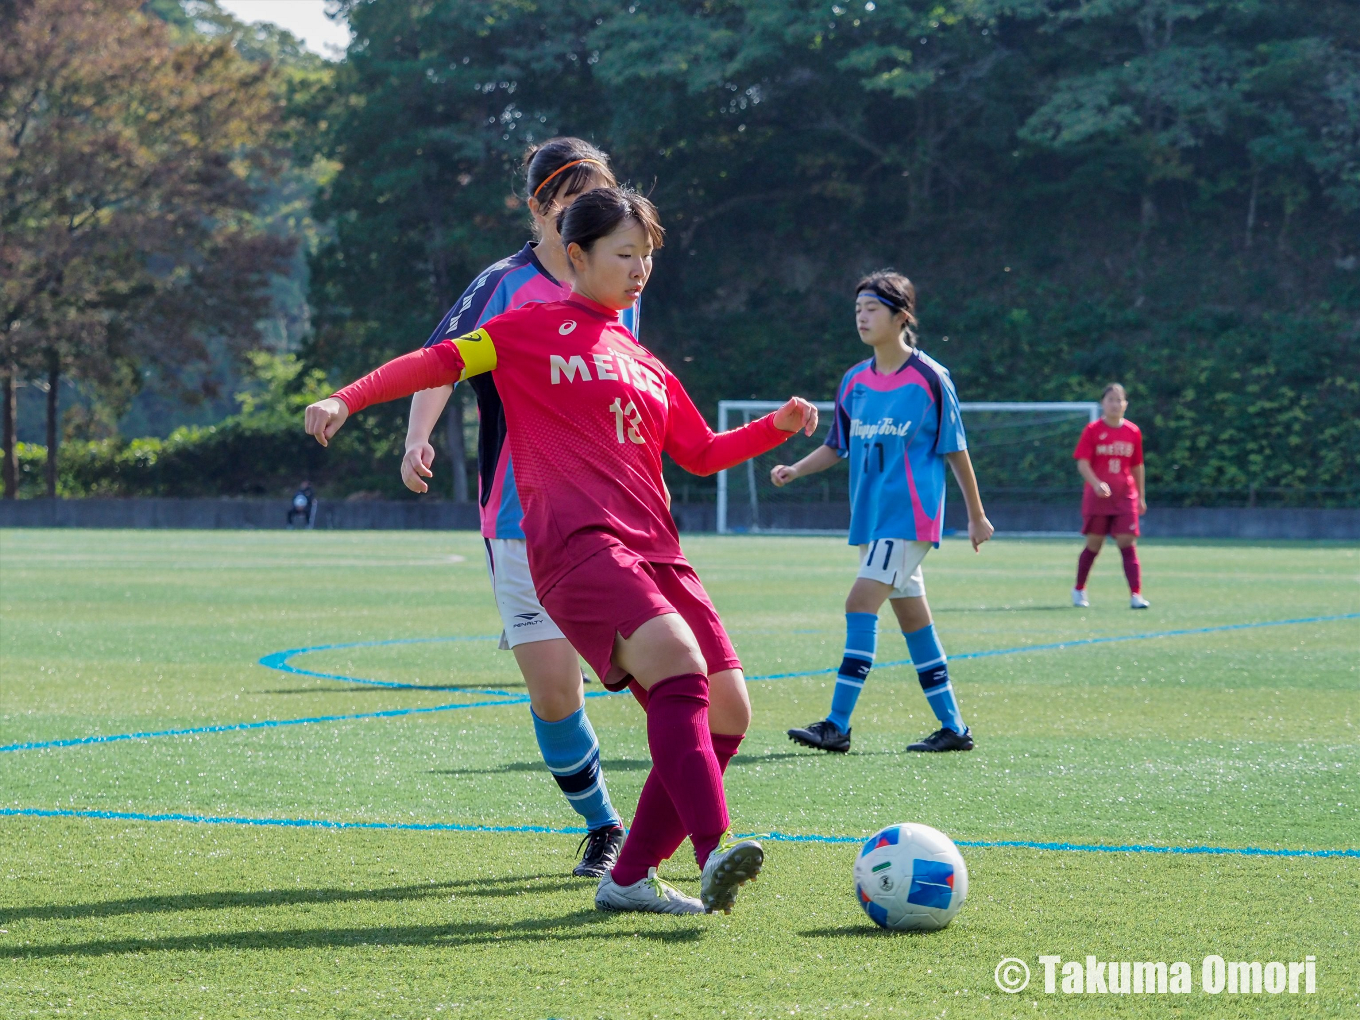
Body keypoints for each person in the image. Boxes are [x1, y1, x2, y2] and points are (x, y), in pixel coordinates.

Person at [304, 187, 819, 915]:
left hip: (660, 552)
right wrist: (345, 399)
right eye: (624, 254)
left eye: (647, 256)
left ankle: (630, 875)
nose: (639, 269)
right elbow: (432, 363)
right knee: (677, 664)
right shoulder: (519, 329)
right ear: (577, 256)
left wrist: (777, 424)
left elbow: (701, 454)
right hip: (577, 548)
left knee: (731, 709)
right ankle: (714, 851)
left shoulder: (644, 359)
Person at [401, 138, 639, 879]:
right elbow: (439, 361)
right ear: (539, 206)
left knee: (658, 667)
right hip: (518, 520)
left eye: (599, 195)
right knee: (554, 688)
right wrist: (416, 439)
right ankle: (606, 826)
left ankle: (694, 815)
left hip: (608, 513)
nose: (591, 212)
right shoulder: (502, 286)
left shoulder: (619, 283)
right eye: (575, 197)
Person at [771, 271, 994, 755]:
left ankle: (837, 724)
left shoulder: (930, 378)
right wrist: (797, 469)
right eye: (858, 310)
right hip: (873, 520)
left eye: (872, 309)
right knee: (915, 622)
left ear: (901, 316)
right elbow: (837, 446)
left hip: (908, 517)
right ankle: (953, 727)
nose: (862, 318)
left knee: (859, 603)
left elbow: (955, 449)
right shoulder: (854, 381)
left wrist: (976, 515)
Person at [1071, 383, 1148, 609]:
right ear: (1103, 404)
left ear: (1125, 404)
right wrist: (1096, 484)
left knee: (1127, 542)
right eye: (1110, 400)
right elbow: (1082, 463)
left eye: (1119, 400)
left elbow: (1137, 466)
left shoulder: (1133, 431)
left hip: (1125, 496)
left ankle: (1136, 595)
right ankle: (1079, 589)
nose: (1115, 404)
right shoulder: (1093, 430)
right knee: (1094, 544)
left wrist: (1141, 496)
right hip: (1098, 498)